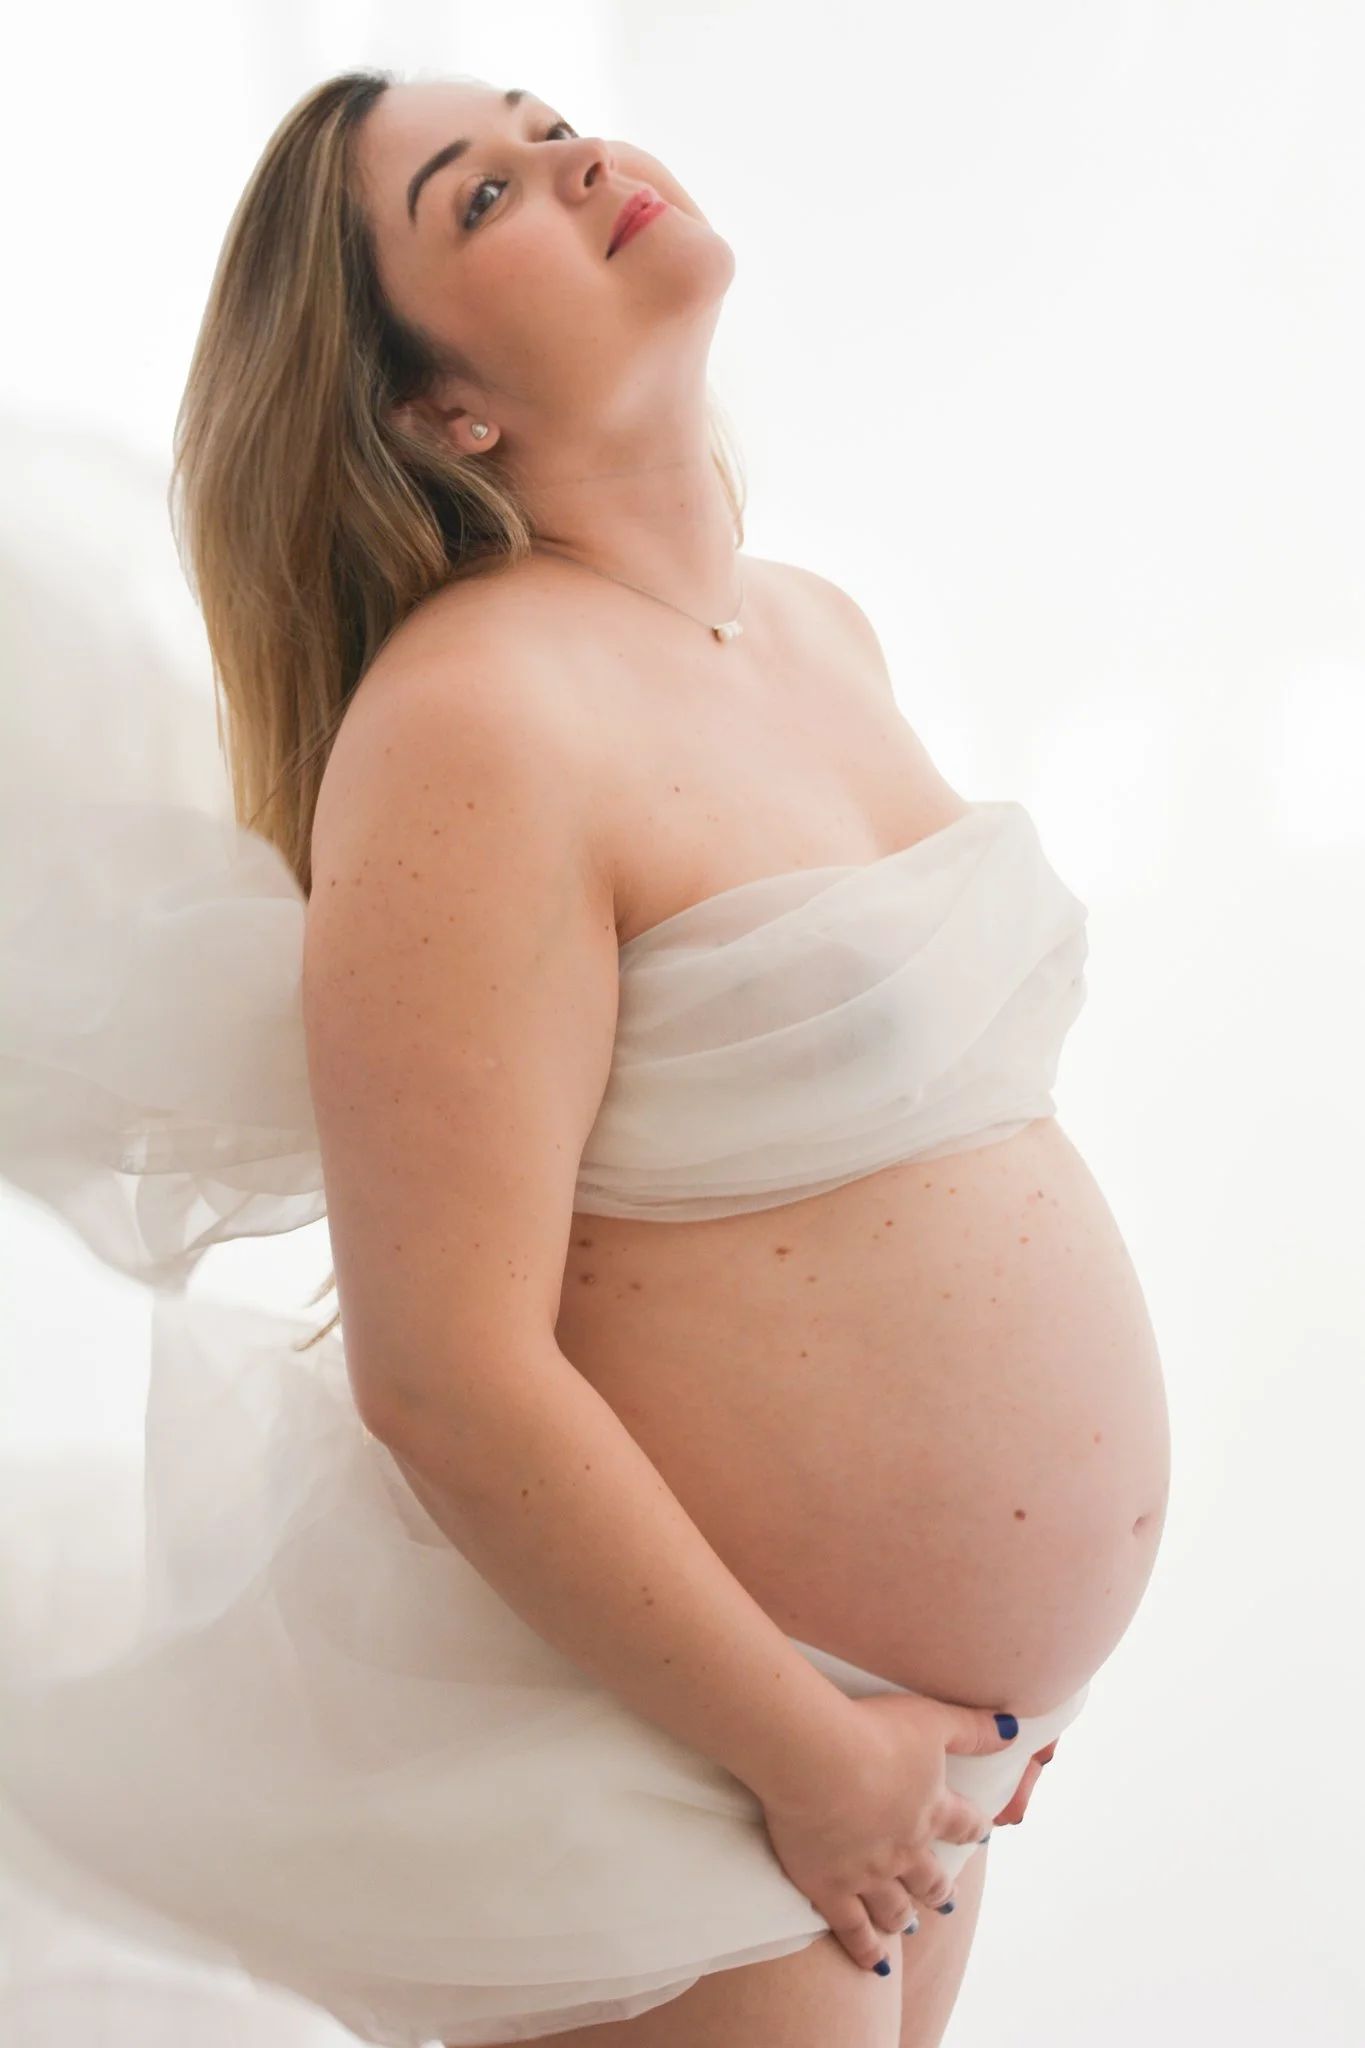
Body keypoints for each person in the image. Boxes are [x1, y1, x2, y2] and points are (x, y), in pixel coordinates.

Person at [0, 68, 1171, 2048]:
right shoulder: (473, 723)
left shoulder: (814, 631)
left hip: (895, 1755)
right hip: (700, 1753)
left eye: (553, 132)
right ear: (433, 408)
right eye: (480, 198)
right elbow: (443, 1375)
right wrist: (803, 1744)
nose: (575, 166)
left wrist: (963, 1685)